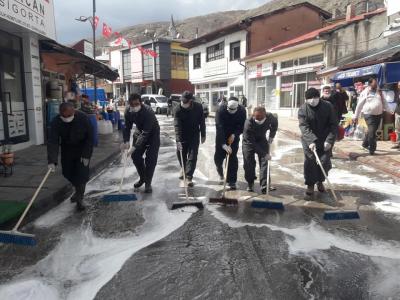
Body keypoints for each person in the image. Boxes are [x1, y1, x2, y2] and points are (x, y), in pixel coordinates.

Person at [47, 102, 93, 211]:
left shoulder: (83, 118)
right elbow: (53, 141)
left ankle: (79, 199)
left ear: (74, 111)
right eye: (64, 116)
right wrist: (52, 161)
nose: (67, 118)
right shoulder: (56, 122)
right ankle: (78, 190)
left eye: (69, 115)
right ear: (60, 113)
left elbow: (90, 138)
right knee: (67, 172)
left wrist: (86, 155)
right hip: (67, 149)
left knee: (81, 174)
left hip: (82, 149)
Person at [298, 88, 337, 198]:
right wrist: (310, 141)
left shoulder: (328, 106)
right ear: (306, 99)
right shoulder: (303, 109)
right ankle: (310, 184)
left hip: (325, 139)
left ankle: (320, 181)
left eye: (315, 97)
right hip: (308, 139)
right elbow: (304, 126)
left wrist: (329, 140)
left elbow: (333, 125)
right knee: (310, 162)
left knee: (324, 161)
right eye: (309, 98)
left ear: (319, 97)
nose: (312, 100)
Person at [121, 93, 160, 193]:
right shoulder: (128, 111)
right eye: (132, 104)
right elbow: (126, 127)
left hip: (152, 133)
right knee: (135, 156)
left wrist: (134, 146)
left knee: (151, 159)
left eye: (136, 104)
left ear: (140, 103)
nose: (134, 106)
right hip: (139, 131)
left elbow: (145, 133)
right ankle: (143, 178)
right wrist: (126, 141)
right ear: (129, 104)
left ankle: (148, 183)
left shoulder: (148, 112)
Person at [353, 78, 393, 155]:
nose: (376, 85)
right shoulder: (365, 92)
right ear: (370, 84)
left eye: (376, 83)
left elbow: (384, 102)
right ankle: (372, 149)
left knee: (372, 130)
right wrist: (356, 116)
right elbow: (359, 105)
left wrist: (390, 110)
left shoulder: (380, 92)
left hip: (378, 115)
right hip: (368, 115)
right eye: (374, 84)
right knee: (372, 132)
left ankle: (364, 144)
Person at [242, 107, 278, 194]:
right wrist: (264, 154)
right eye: (256, 119)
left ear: (265, 115)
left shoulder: (270, 117)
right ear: (253, 116)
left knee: (265, 162)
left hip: (261, 139)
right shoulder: (248, 123)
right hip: (249, 142)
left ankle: (264, 185)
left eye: (261, 119)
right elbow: (251, 143)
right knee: (248, 163)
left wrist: (271, 136)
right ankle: (250, 183)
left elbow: (274, 125)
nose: (259, 120)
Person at [174, 91, 206, 186]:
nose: (183, 103)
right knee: (180, 154)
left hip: (194, 134)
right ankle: (183, 168)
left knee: (192, 156)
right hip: (182, 134)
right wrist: (178, 140)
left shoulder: (198, 107)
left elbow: (202, 122)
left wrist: (203, 135)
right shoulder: (177, 109)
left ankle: (189, 177)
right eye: (182, 101)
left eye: (185, 102)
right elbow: (177, 126)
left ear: (190, 101)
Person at [214, 96, 246, 190]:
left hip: (234, 136)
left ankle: (231, 181)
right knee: (218, 158)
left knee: (232, 158)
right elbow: (219, 127)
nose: (230, 110)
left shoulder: (242, 111)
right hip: (221, 135)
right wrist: (223, 144)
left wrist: (235, 135)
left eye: (233, 109)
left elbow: (242, 126)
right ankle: (220, 172)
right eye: (229, 109)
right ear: (227, 105)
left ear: (237, 107)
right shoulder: (220, 110)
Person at [392, 82, 400, 149]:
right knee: (397, 129)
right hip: (397, 112)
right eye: (398, 85)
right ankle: (398, 143)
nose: (398, 86)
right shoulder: (397, 92)